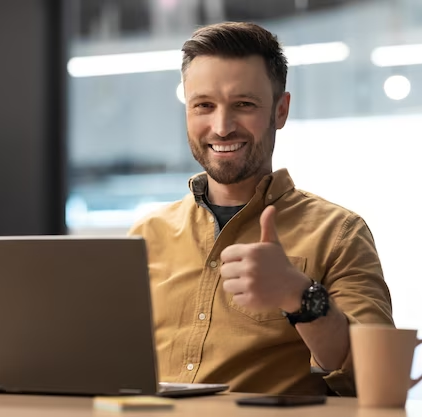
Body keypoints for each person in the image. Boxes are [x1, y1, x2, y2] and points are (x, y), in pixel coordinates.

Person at [129, 21, 393, 396]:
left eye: (244, 105)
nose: (221, 127)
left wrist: (299, 296)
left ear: (280, 111)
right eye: (204, 105)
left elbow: (376, 377)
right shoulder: (146, 233)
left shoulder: (339, 233)